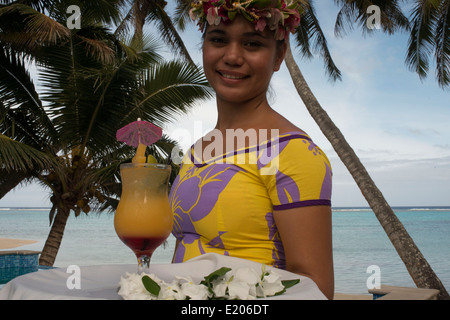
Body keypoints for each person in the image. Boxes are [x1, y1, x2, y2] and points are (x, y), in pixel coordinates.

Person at [169, 0, 334, 299]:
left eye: (252, 43)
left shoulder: (291, 153)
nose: (232, 56)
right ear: (204, 47)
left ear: (278, 55)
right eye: (218, 39)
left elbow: (316, 288)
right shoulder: (197, 150)